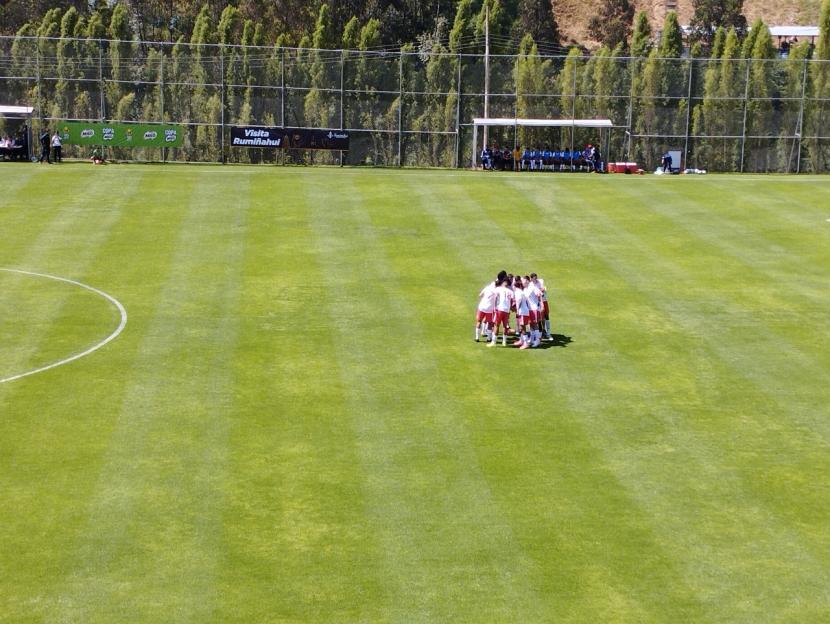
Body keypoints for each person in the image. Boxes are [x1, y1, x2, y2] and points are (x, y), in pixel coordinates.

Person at [489, 278, 515, 347]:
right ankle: (504, 342)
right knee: (505, 326)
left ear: (503, 282)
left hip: (499, 309)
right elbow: (513, 301)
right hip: (507, 310)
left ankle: (493, 342)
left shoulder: (498, 289)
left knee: (496, 325)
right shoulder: (511, 291)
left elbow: (492, 293)